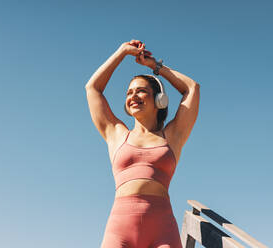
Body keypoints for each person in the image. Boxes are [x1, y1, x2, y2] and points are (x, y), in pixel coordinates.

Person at [85, 39, 200, 248]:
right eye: (129, 93)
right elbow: (93, 88)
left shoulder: (172, 136)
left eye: (140, 91)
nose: (133, 96)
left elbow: (192, 88)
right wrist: (121, 52)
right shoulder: (117, 134)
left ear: (159, 99)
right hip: (120, 229)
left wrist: (155, 67)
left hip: (162, 231)